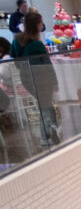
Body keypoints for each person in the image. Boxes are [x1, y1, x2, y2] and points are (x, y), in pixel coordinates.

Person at [11, 10, 60, 143]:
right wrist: (55, 81)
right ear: (36, 25)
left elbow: (13, 57)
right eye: (41, 23)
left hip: (26, 77)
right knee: (45, 105)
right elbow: (47, 64)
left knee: (44, 104)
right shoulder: (37, 44)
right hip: (41, 78)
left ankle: (50, 130)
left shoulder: (17, 40)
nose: (42, 26)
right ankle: (46, 134)